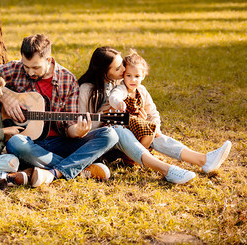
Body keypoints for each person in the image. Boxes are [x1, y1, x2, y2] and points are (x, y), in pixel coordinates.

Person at [78, 47, 231, 184]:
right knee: (117, 129)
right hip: (102, 141)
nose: (124, 70)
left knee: (152, 132)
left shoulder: (120, 83)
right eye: (119, 68)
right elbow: (84, 128)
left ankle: (203, 160)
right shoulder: (87, 90)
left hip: (125, 137)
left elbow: (149, 110)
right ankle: (166, 170)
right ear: (105, 70)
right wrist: (107, 116)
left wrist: (148, 123)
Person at [0, 34, 119, 188]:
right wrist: (4, 98)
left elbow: (69, 128)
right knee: (15, 142)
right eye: (26, 66)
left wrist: (79, 131)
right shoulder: (15, 68)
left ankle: (51, 173)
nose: (29, 72)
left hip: (59, 143)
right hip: (27, 142)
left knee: (110, 135)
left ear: (48, 60)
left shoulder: (67, 80)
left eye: (35, 67)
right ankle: (79, 170)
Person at [107, 49, 158, 149]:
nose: (132, 80)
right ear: (123, 75)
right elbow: (114, 97)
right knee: (148, 132)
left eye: (137, 76)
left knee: (151, 131)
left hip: (136, 126)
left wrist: (157, 127)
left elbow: (152, 111)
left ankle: (135, 156)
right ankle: (137, 157)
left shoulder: (142, 91)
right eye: (128, 75)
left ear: (143, 76)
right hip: (122, 125)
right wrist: (118, 103)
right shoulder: (122, 88)